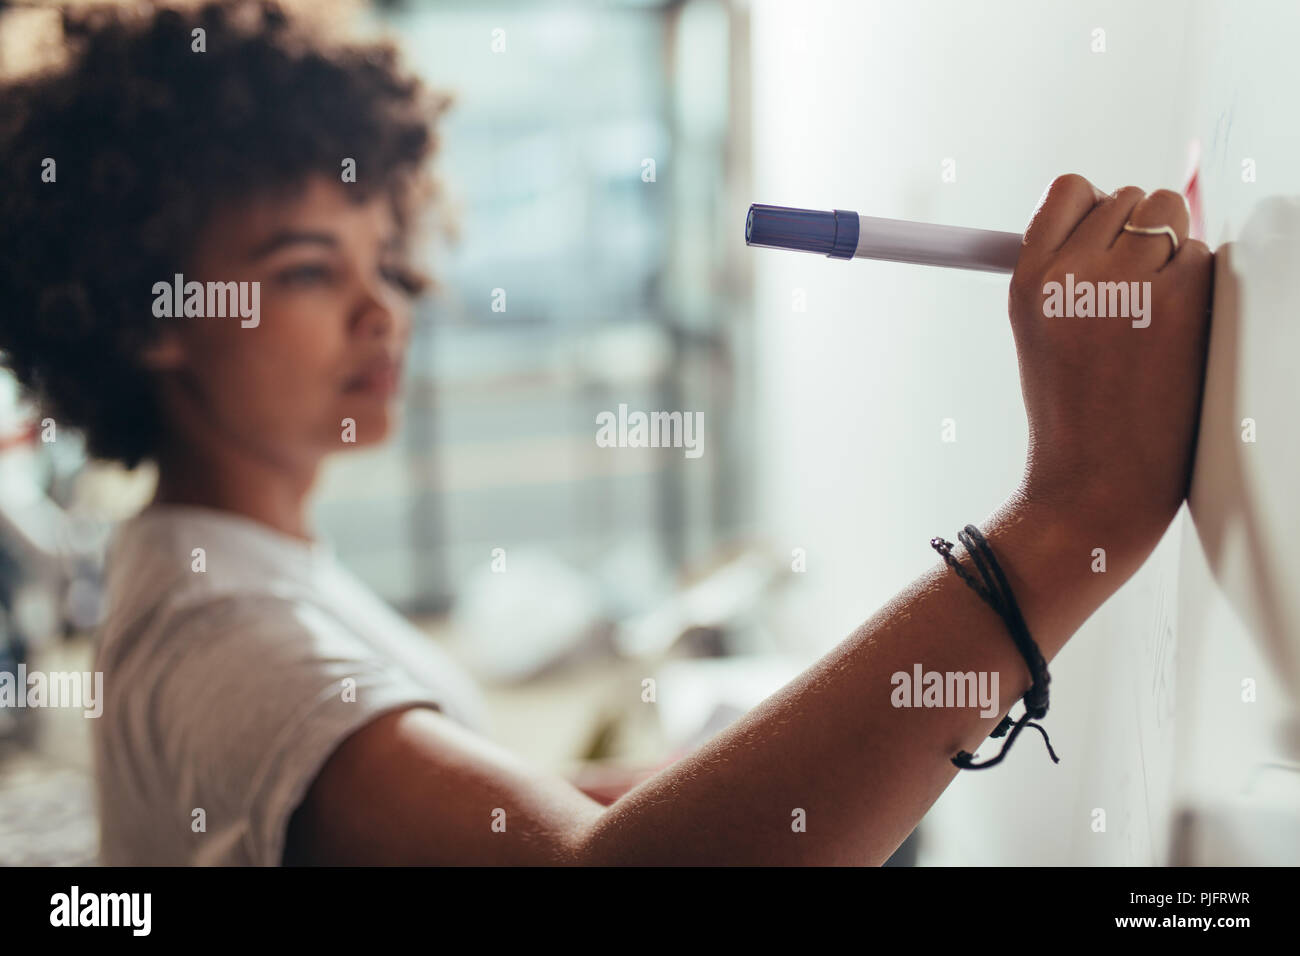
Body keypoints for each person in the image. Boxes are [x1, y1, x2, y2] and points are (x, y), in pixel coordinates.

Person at [0, 0, 1212, 866]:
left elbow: (482, 813)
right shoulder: (226, 639)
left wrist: (806, 758)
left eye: (387, 258)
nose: (386, 306)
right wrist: (1070, 514)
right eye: (310, 268)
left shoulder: (233, 564)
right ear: (151, 311)